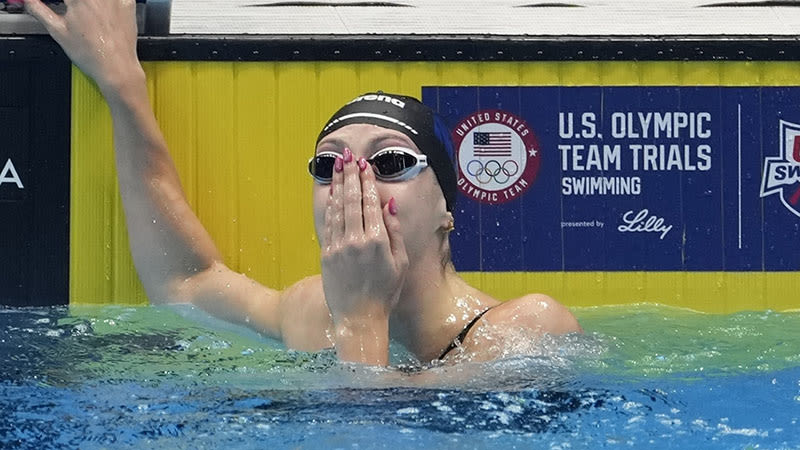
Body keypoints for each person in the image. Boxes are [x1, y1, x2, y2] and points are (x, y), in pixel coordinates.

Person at [26, 0, 582, 367]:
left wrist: (362, 317)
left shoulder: (523, 334)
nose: (353, 183)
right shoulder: (315, 310)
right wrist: (122, 84)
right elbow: (185, 283)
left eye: (389, 163)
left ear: (447, 209)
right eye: (327, 166)